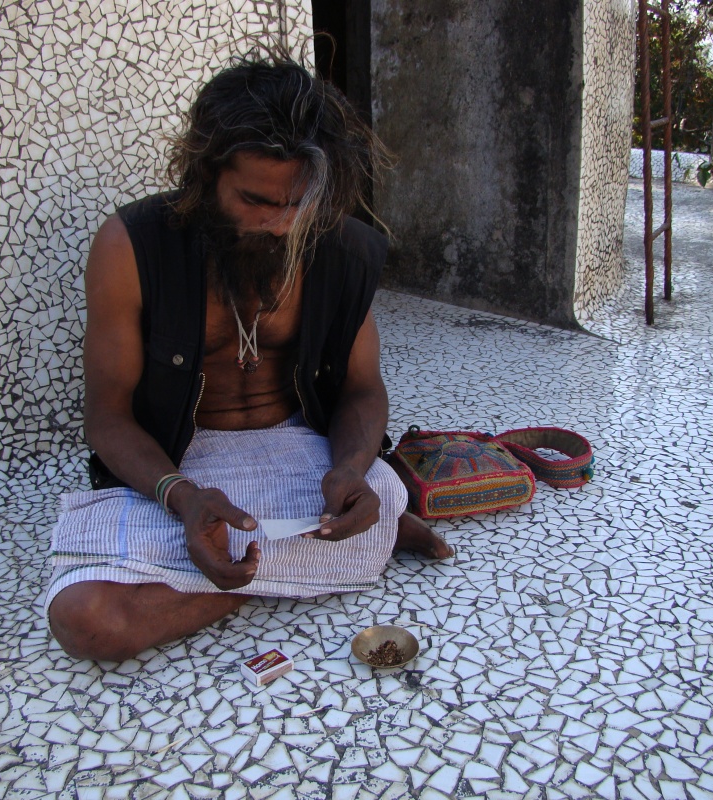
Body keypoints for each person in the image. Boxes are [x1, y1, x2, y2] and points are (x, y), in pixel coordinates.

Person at [45, 52, 451, 661]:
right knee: (87, 622)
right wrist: (182, 497)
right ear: (204, 173)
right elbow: (106, 416)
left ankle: (330, 545)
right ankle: (347, 554)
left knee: (373, 491)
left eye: (299, 202)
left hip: (301, 453)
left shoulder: (339, 246)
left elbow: (363, 389)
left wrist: (347, 471)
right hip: (178, 463)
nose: (282, 224)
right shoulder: (131, 245)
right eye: (257, 200)